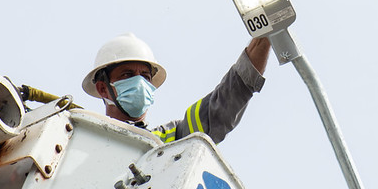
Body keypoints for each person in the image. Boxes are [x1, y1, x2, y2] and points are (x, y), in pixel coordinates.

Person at [81, 33, 270, 144]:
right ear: (103, 89)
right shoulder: (82, 138)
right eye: (127, 75)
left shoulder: (170, 139)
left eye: (145, 77)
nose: (139, 83)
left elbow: (225, 102)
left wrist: (266, 35)